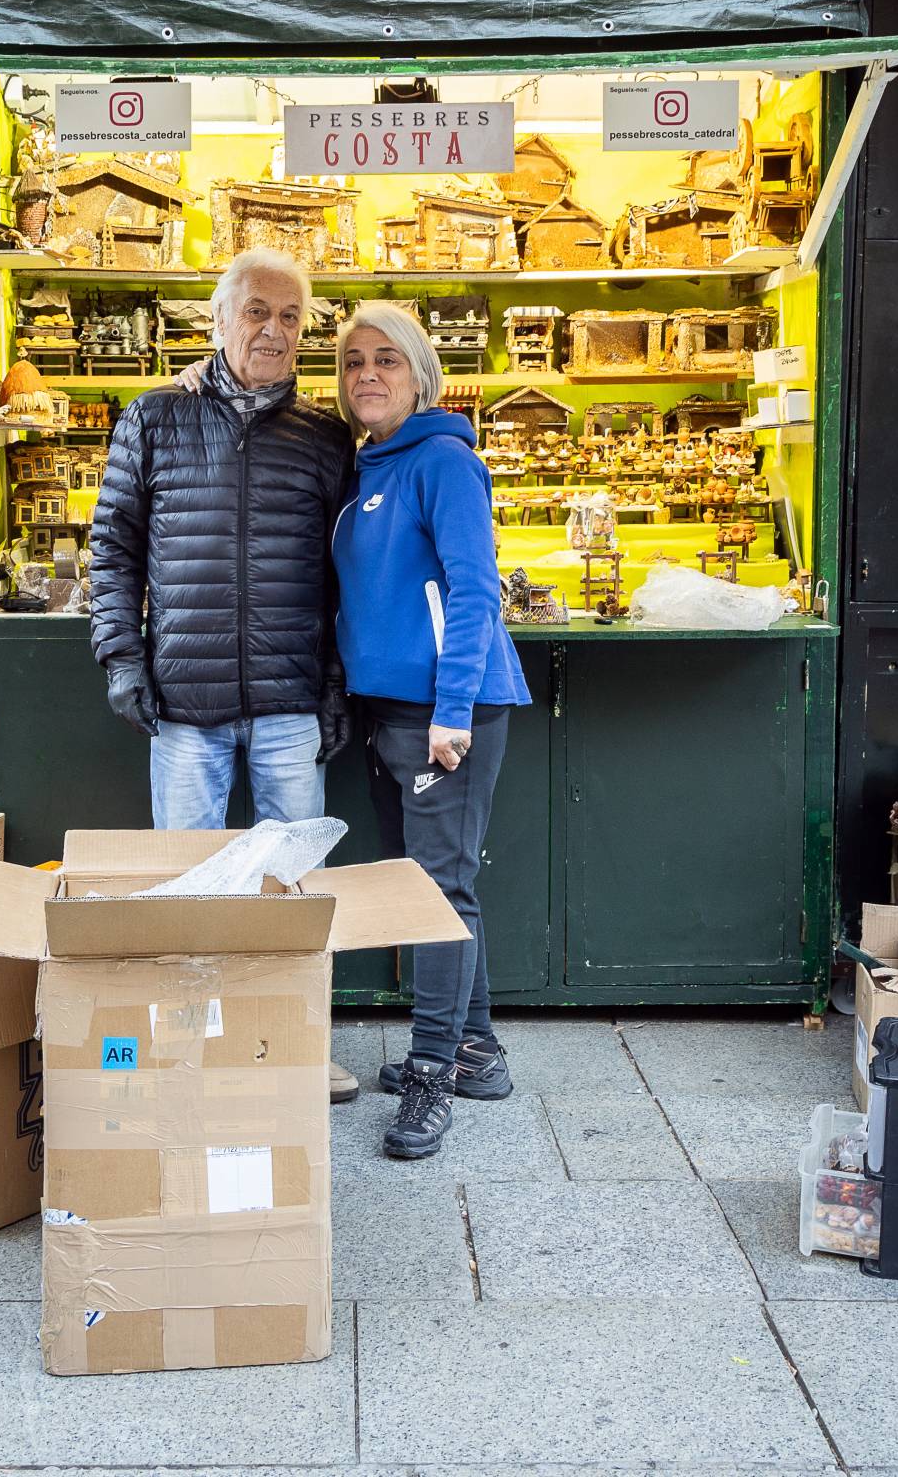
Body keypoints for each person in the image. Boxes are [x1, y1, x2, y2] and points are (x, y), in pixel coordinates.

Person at [89, 248, 359, 1100]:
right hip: (186, 708)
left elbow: (340, 576)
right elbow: (114, 550)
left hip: (287, 709)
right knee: (190, 889)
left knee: (291, 893)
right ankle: (188, 1050)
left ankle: (298, 1048)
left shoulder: (324, 438)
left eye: (289, 317)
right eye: (256, 311)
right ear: (219, 318)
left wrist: (333, 689)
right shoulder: (153, 419)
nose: (273, 331)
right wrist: (121, 657)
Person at [331, 301, 530, 1159]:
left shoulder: (444, 460)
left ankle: (432, 1071)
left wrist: (452, 711)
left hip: (446, 711)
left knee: (438, 893)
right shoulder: (369, 464)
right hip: (391, 711)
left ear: (421, 374)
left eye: (388, 360)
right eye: (352, 362)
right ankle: (476, 1050)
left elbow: (475, 589)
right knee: (434, 886)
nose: (368, 374)